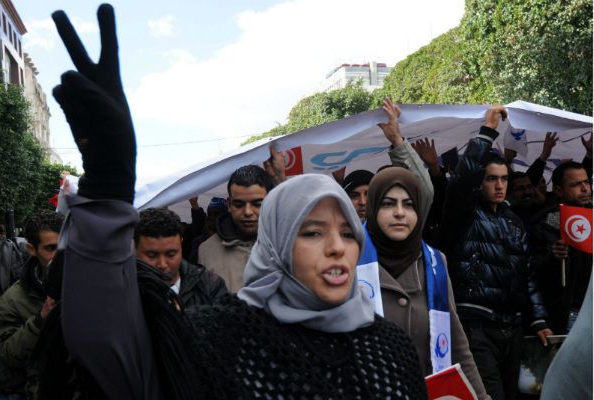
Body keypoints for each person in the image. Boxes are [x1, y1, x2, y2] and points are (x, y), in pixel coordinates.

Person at [47, 5, 429, 399]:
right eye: (313, 232)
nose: (337, 247)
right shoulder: (215, 338)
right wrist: (107, 191)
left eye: (348, 233)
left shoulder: (392, 350)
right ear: (277, 244)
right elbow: (110, 355)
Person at [361, 99, 489, 399]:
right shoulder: (347, 259)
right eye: (388, 204)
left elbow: (458, 348)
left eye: (408, 205)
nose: (400, 213)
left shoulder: (434, 263)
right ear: (371, 210)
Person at [441, 106, 551, 400]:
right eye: (492, 178)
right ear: (480, 182)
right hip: (476, 328)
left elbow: (526, 273)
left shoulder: (513, 220)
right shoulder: (464, 215)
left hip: (512, 329)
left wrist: (538, 319)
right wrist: (487, 133)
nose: (500, 185)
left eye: (504, 178)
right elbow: (461, 183)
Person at [0, 211, 63, 397]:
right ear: (32, 249)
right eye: (51, 248)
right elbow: (10, 354)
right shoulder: (12, 301)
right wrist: (41, 319)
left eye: (66, 248)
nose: (60, 258)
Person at [529, 160, 592, 334]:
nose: (585, 189)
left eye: (586, 182)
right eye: (576, 185)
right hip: (570, 312)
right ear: (558, 190)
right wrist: (551, 256)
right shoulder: (544, 225)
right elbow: (529, 272)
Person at [198, 164, 275, 292]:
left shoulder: (289, 245)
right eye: (239, 204)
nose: (248, 212)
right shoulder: (206, 251)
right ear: (229, 205)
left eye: (257, 204)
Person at [135, 208, 227, 311]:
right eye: (152, 255)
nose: (162, 264)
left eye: (171, 254)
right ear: (134, 248)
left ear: (181, 243)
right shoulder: (121, 292)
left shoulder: (210, 286)